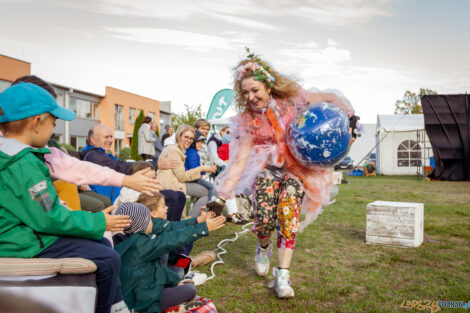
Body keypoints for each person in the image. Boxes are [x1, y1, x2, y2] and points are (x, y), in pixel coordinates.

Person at [209, 51, 358, 298]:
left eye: (255, 90)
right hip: (266, 170)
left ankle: (283, 276)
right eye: (245, 92)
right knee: (265, 220)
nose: (250, 97)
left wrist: (351, 119)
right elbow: (240, 161)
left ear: (268, 85)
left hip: (296, 169)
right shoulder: (248, 120)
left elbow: (331, 99)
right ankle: (262, 246)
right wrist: (222, 197)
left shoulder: (292, 99)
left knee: (288, 216)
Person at [0, 82, 131, 313]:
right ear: (36, 122)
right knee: (108, 259)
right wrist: (100, 222)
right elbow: (50, 216)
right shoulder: (22, 163)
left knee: (100, 243)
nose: (54, 130)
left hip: (21, 233)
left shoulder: (13, 156)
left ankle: (116, 305)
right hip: (20, 243)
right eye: (53, 123)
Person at [8, 75, 162, 200]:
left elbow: (77, 169)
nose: (56, 122)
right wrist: (96, 223)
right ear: (36, 121)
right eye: (52, 117)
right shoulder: (19, 161)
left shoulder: (38, 150)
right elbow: (50, 214)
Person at [113, 197, 225, 313]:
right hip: (140, 304)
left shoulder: (125, 241)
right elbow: (173, 238)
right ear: (144, 223)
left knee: (179, 277)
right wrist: (204, 227)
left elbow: (156, 269)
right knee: (190, 290)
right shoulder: (141, 245)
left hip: (136, 293)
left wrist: (176, 281)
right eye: (149, 219)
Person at [80, 124, 187, 222]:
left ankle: (173, 230)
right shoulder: (93, 155)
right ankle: (166, 232)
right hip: (121, 199)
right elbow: (123, 167)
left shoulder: (101, 154)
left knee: (180, 196)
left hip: (125, 191)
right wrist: (156, 165)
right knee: (172, 196)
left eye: (111, 136)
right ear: (93, 140)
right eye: (106, 137)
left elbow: (121, 165)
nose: (110, 140)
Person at [157, 124, 216, 218]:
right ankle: (191, 219)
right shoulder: (173, 151)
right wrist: (201, 169)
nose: (189, 141)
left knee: (208, 192)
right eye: (186, 137)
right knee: (209, 191)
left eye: (191, 138)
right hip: (172, 185)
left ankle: (190, 219)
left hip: (176, 182)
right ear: (179, 136)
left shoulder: (178, 150)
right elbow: (182, 176)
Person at [185, 130, 216, 201]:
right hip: (192, 179)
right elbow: (194, 169)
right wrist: (205, 170)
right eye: (198, 142)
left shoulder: (192, 151)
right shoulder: (192, 153)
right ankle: (212, 205)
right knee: (212, 187)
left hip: (193, 178)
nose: (200, 144)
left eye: (201, 142)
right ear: (193, 141)